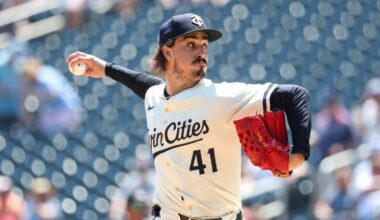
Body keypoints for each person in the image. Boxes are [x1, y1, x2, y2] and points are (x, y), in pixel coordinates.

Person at [67, 13, 311, 219]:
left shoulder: (222, 97)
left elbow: (295, 95)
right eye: (191, 45)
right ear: (168, 52)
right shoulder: (155, 97)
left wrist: (298, 154)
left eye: (204, 45)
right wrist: (107, 69)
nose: (201, 52)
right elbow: (145, 85)